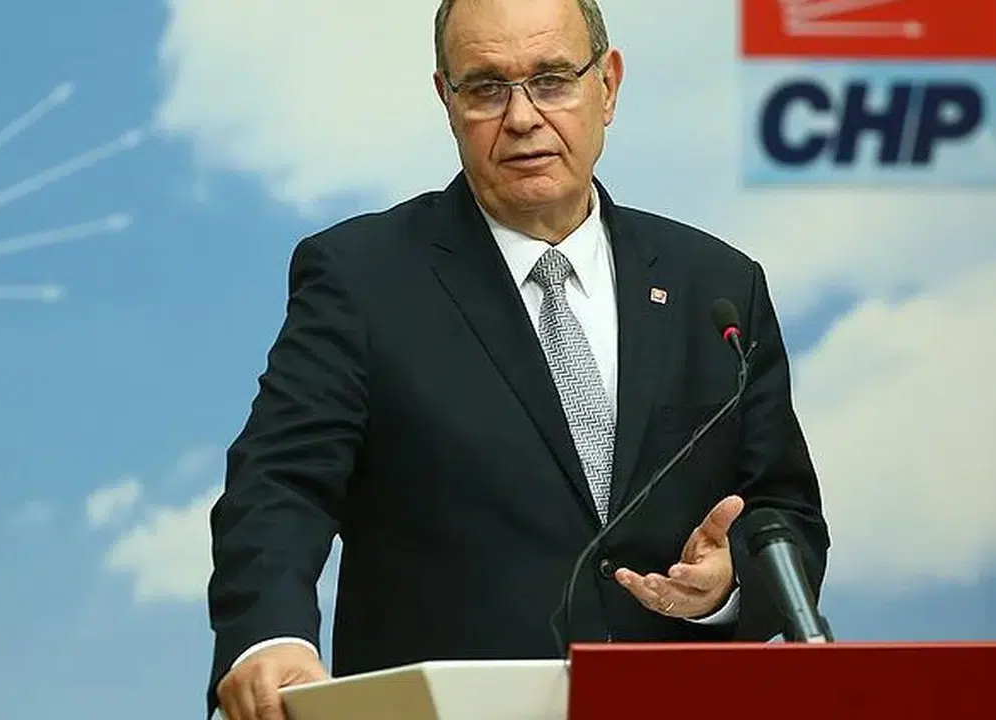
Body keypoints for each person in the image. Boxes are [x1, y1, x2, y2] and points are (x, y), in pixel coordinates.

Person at [204, 0, 830, 717]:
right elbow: (281, 483)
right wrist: (270, 637)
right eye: (486, 88)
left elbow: (784, 514)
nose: (523, 117)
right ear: (446, 100)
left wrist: (729, 581)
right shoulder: (361, 278)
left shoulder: (716, 287)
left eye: (552, 80)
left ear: (608, 86)